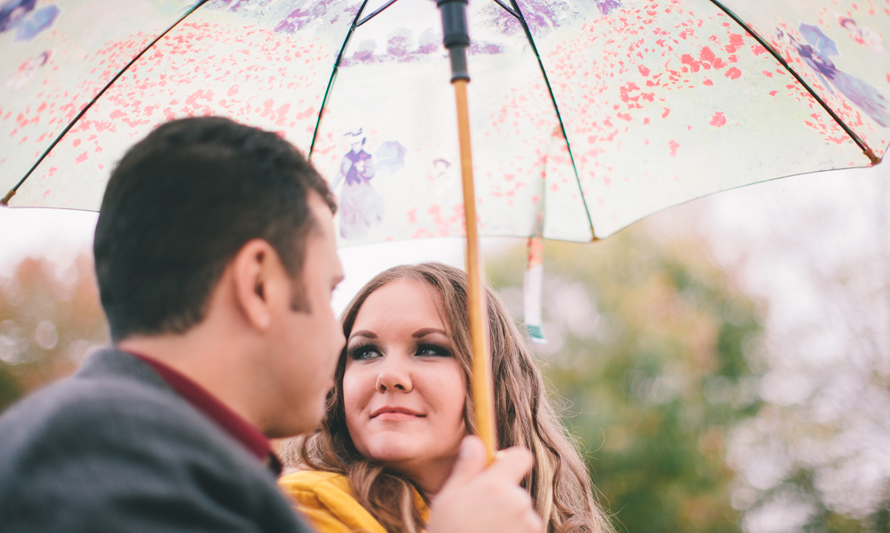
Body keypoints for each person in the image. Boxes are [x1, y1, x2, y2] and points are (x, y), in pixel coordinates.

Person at [0, 116, 541, 533]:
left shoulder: (172, 458)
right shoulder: (108, 460)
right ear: (259, 284)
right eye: (328, 292)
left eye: (429, 349)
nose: (338, 342)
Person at [280, 262, 615, 533]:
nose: (389, 376)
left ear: (495, 381)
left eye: (429, 349)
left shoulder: (548, 521)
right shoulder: (304, 508)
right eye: (366, 352)